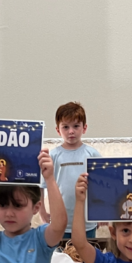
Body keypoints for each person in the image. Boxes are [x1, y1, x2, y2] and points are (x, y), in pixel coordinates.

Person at [39, 101, 101, 246]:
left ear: (84, 128)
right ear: (58, 130)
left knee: (87, 256)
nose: (71, 131)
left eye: (76, 126)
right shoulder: (53, 156)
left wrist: (101, 212)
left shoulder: (92, 154)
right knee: (61, 258)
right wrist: (42, 212)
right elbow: (41, 186)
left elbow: (102, 186)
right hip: (60, 222)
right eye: (65, 127)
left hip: (87, 222)